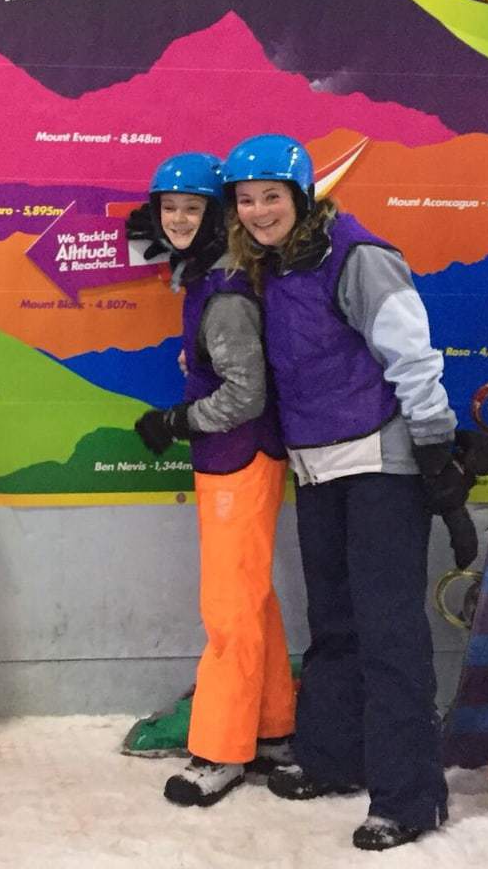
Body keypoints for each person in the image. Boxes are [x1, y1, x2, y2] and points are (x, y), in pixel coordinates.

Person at [224, 133, 461, 851]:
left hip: (380, 463)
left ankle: (409, 797)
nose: (260, 210)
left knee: (388, 628)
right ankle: (333, 757)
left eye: (272, 196)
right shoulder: (271, 268)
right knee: (332, 619)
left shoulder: (357, 258)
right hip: (316, 464)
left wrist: (433, 442)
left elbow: (410, 351)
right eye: (246, 199)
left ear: (302, 197)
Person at [129, 152, 296, 809]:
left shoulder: (222, 288)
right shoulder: (207, 277)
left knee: (229, 609)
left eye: (190, 208)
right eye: (167, 207)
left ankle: (221, 751)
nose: (175, 219)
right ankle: (273, 726)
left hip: (238, 459)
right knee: (252, 598)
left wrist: (175, 420)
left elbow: (246, 394)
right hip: (234, 459)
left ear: (214, 215)